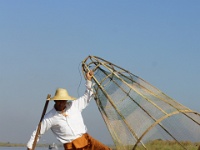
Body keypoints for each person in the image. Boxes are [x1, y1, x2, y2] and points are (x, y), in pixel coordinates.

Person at [27, 71, 111, 150]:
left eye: (63, 101)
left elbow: (87, 97)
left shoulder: (74, 106)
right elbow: (37, 133)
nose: (61, 103)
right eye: (58, 101)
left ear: (66, 100)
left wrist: (88, 80)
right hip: (72, 146)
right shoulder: (49, 117)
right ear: (55, 101)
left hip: (87, 140)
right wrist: (30, 147)